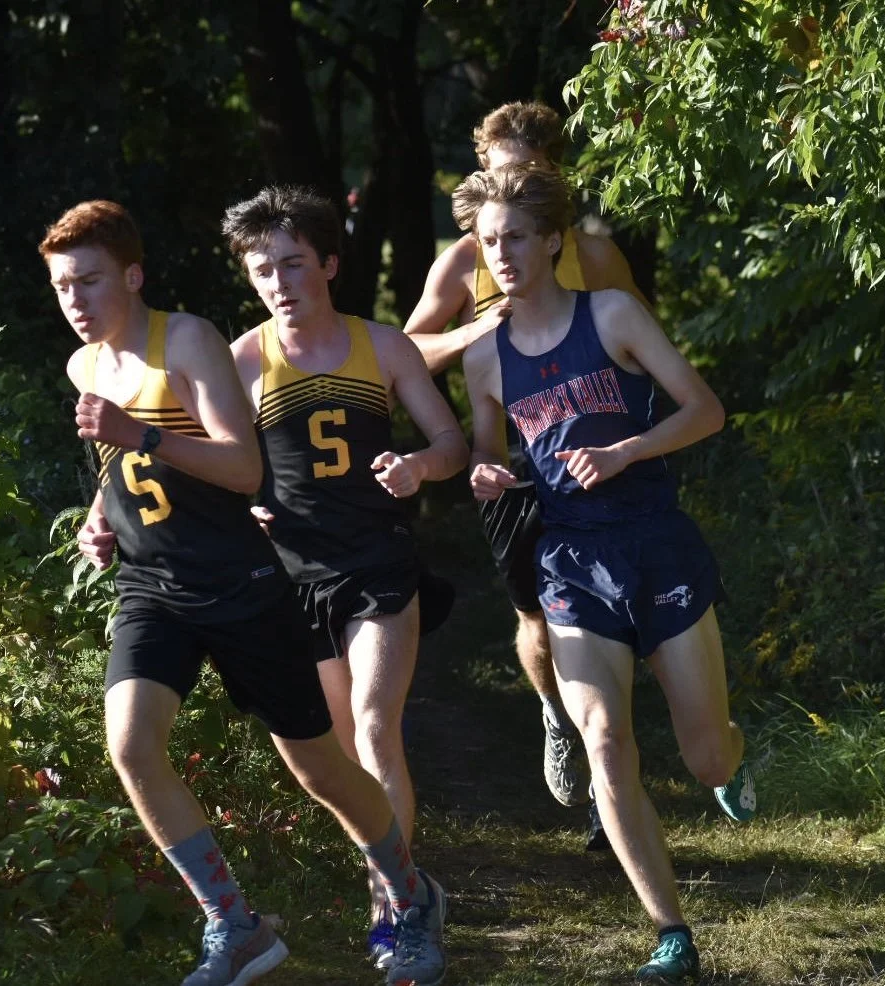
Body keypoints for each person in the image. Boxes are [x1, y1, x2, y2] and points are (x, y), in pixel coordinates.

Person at [42, 199, 448, 986]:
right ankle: (235, 924)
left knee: (323, 771)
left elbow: (242, 468)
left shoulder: (188, 341)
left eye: (89, 281)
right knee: (130, 744)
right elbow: (120, 470)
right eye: (62, 286)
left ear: (132, 276)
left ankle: (409, 898)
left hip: (239, 583)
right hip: (151, 587)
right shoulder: (82, 365)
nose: (75, 300)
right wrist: (100, 521)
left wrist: (139, 433)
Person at [456, 166, 756, 984]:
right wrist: (484, 472)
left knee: (703, 759)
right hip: (570, 561)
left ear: (552, 239)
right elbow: (484, 452)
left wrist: (626, 450)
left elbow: (704, 410)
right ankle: (671, 935)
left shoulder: (613, 314)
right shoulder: (482, 360)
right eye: (488, 242)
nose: (502, 254)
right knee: (604, 742)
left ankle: (732, 757)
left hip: (656, 545)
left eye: (516, 237)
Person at [222, 185, 467, 974]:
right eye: (263, 270)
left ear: (328, 264)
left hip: (376, 564)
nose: (279, 282)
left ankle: (394, 916)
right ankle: (410, 890)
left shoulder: (383, 347)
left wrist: (418, 466)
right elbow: (213, 467)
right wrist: (243, 509)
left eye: (293, 264)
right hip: (293, 579)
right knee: (338, 760)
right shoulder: (243, 360)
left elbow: (451, 443)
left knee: (373, 725)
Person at [404, 101, 651, 822]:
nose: (514, 188)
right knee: (539, 620)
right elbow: (403, 353)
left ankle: (611, 775)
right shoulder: (465, 260)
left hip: (591, 454)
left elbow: (643, 348)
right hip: (509, 460)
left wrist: (632, 440)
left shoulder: (592, 255)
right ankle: (554, 712)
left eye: (533, 175)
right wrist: (470, 332)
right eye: (503, 172)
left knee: (612, 616)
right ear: (483, 170)